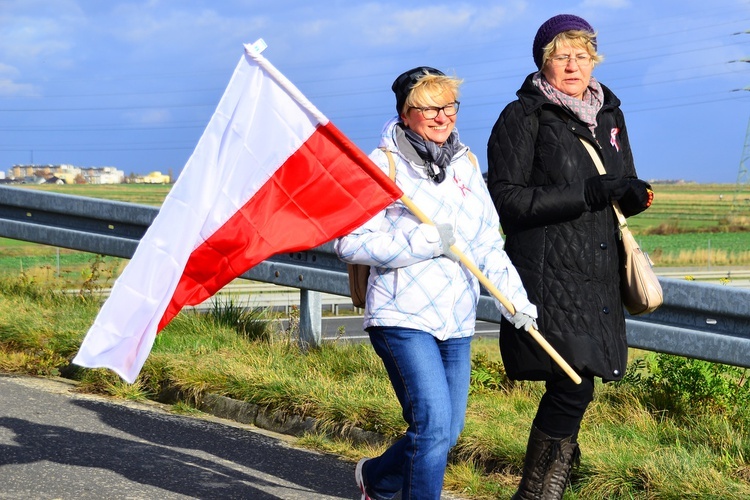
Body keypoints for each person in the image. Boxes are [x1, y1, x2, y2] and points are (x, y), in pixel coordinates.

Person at [335, 66, 538, 500]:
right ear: (406, 113)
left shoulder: (465, 163)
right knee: (431, 423)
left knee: (447, 431)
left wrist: (514, 298)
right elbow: (349, 243)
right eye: (429, 107)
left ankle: (377, 479)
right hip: (401, 313)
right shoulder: (382, 164)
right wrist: (424, 240)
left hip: (457, 316)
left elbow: (486, 240)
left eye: (449, 106)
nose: (442, 116)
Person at [486, 14, 654, 499]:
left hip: (597, 273)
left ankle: (549, 482)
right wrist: (587, 192)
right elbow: (509, 199)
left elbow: (614, 186)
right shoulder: (523, 116)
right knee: (573, 382)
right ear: (544, 62)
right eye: (562, 56)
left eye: (582, 56)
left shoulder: (610, 114)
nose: (573, 65)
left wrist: (633, 195)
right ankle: (540, 491)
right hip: (547, 273)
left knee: (579, 382)